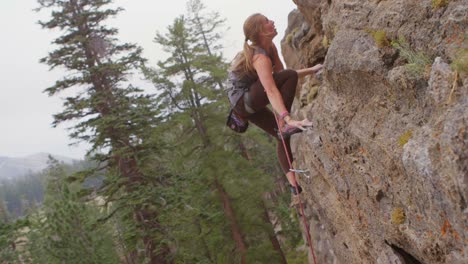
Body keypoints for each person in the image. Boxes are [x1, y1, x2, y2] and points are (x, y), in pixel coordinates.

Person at [227, 13, 323, 195]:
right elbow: (271, 89)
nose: (272, 22)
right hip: (243, 102)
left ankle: (293, 184)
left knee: (281, 135)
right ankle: (285, 124)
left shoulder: (270, 48)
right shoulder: (260, 57)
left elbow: (283, 75)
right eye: (266, 21)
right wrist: (286, 117)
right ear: (260, 31)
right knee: (283, 128)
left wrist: (311, 70)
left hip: (246, 105)